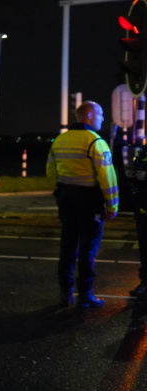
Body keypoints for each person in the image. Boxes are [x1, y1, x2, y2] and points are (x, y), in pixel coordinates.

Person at [46, 100, 119, 308]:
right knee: (88, 248)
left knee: (68, 245)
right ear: (89, 116)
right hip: (89, 200)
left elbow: (50, 171)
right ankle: (85, 295)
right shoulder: (95, 142)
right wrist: (112, 206)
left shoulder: (60, 140)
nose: (103, 118)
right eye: (100, 114)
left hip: (66, 198)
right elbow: (107, 178)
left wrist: (62, 189)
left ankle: (66, 292)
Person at [126, 148, 147, 299]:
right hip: (143, 206)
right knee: (144, 247)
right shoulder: (143, 153)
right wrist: (131, 176)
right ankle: (145, 282)